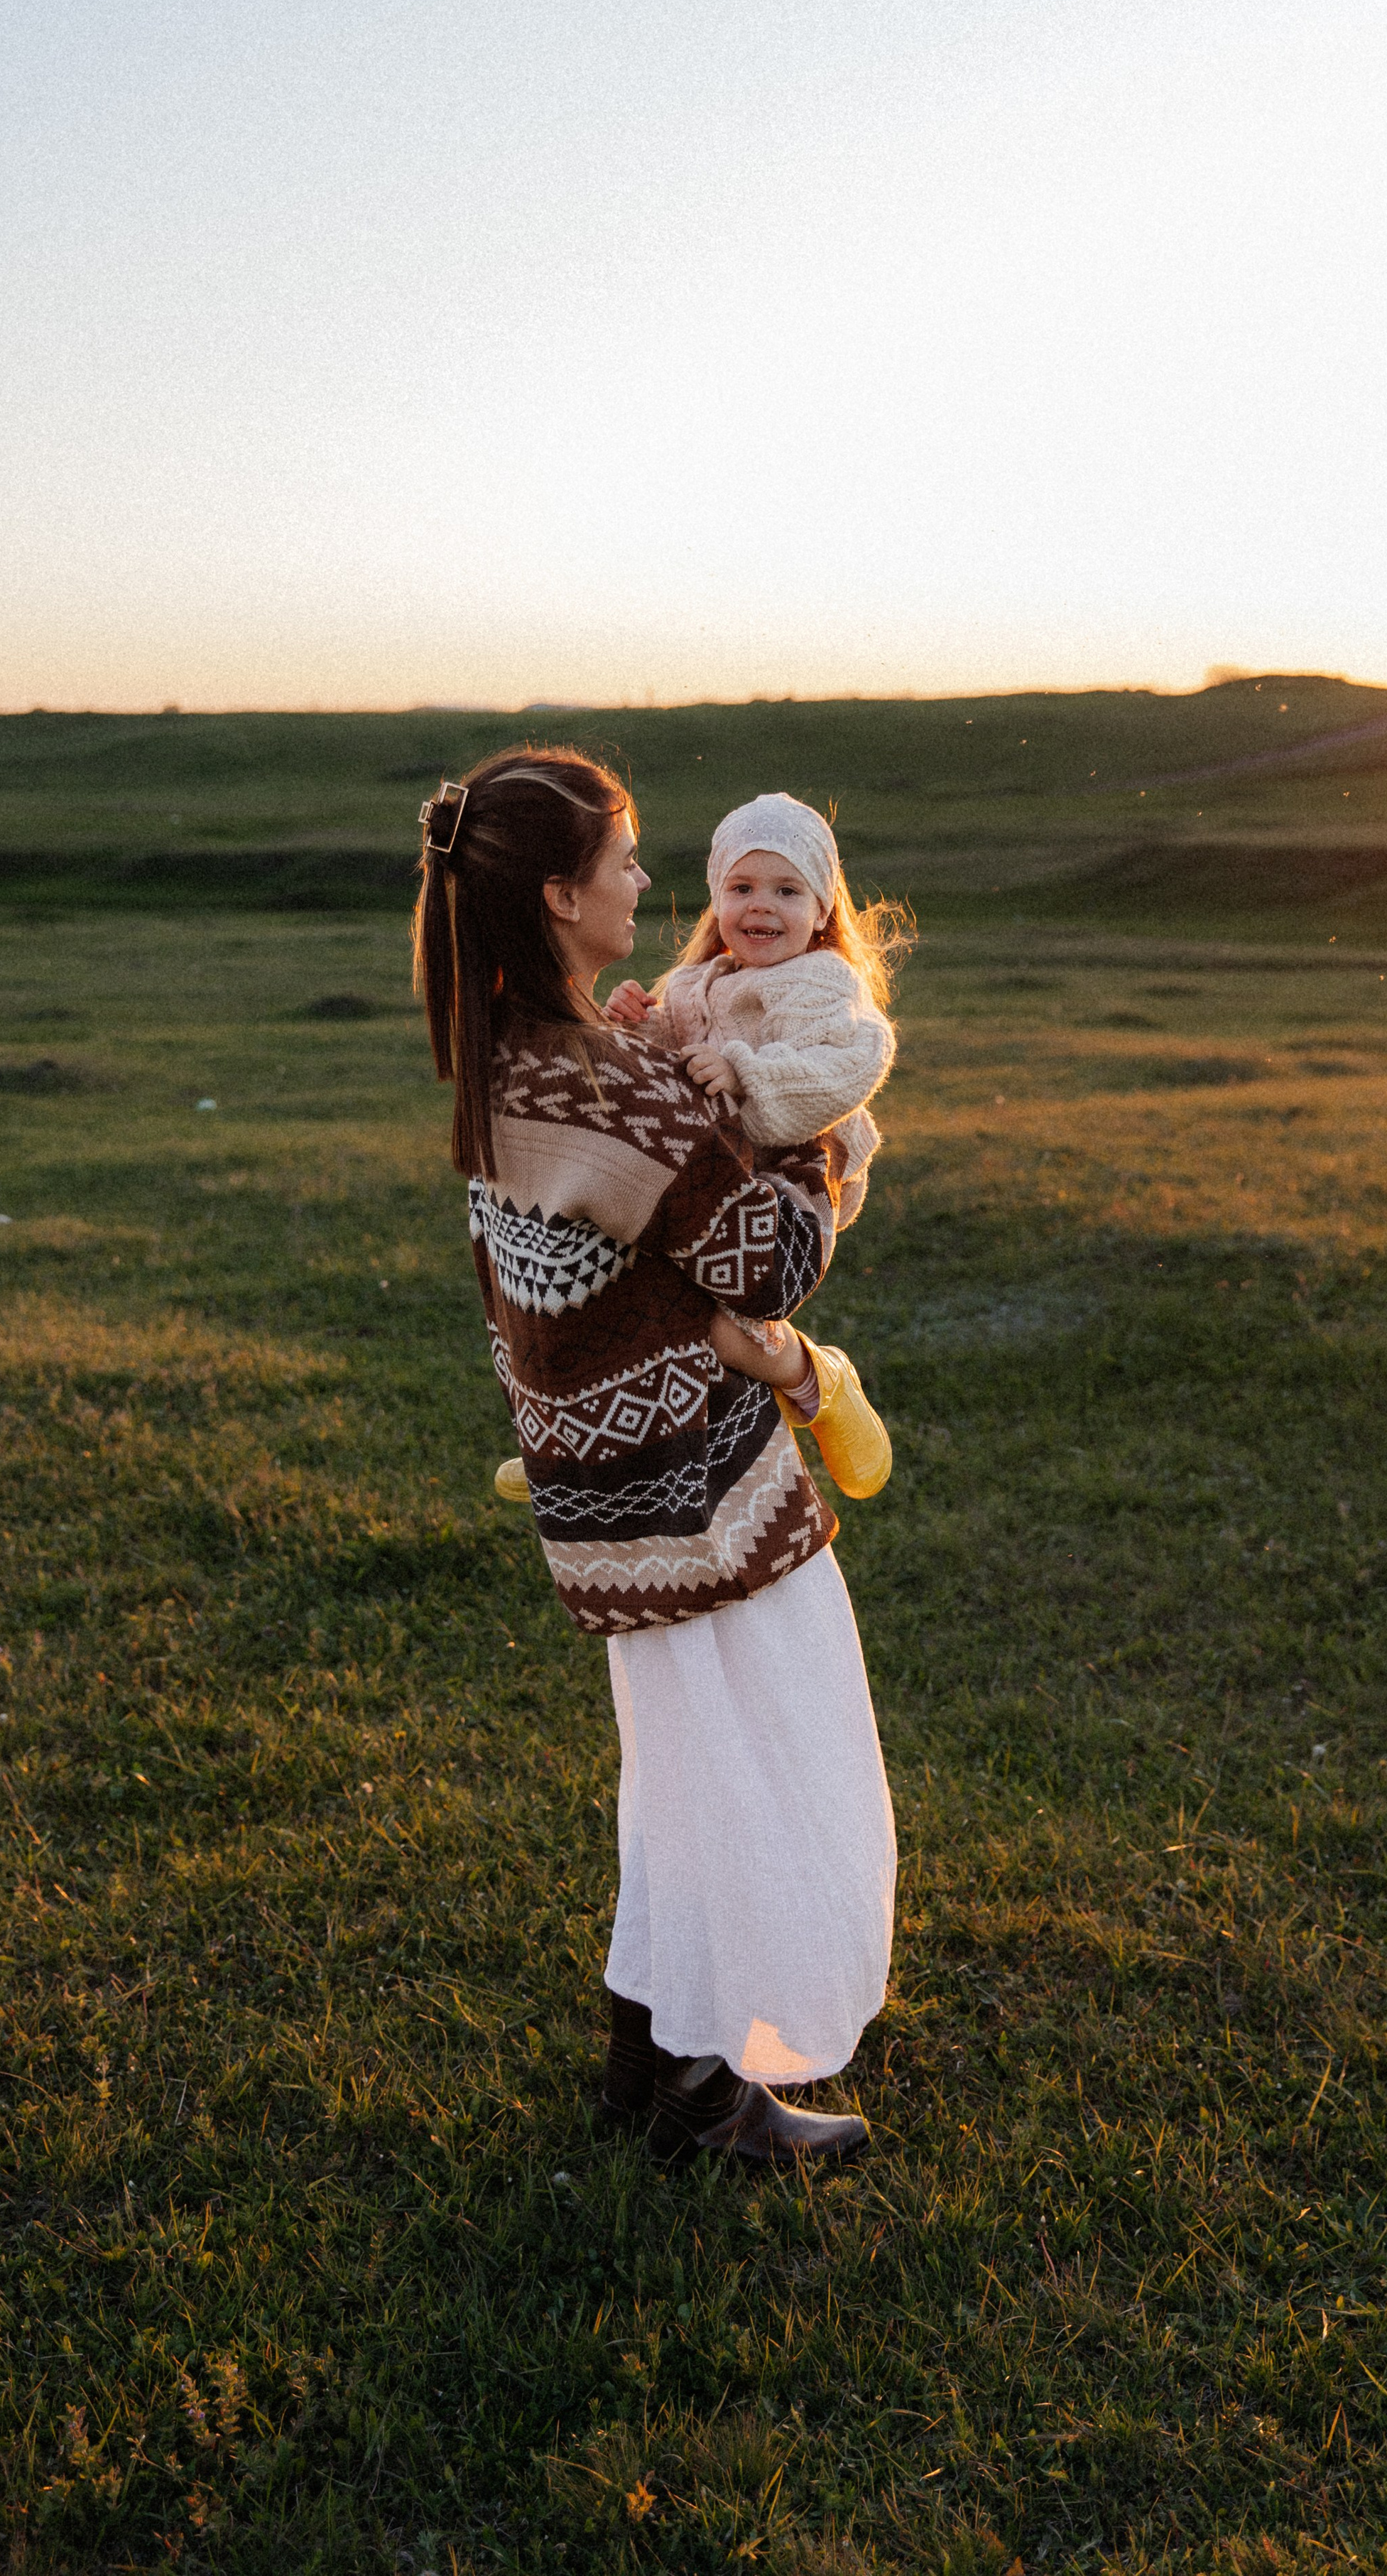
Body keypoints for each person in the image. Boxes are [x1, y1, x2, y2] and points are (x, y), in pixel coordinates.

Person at [412, 747, 895, 2164]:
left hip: (610, 1479)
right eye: (624, 863)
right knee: (745, 1769)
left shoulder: (508, 1040)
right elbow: (769, 1259)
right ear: (562, 896)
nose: (646, 881)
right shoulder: (604, 1075)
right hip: (681, 1486)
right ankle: (693, 2096)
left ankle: (654, 2067)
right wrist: (822, 1140)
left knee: (687, 1771)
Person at [603, 791, 903, 1495]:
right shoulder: (690, 985)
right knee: (629, 1298)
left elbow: (850, 1066)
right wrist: (632, 1029)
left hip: (793, 1178)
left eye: (786, 889)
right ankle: (597, 1446)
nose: (760, 905)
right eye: (741, 887)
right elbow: (665, 1074)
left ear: (822, 909)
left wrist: (744, 1073)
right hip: (713, 1177)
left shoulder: (823, 985)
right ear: (716, 899)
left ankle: (820, 1382)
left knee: (726, 1332)